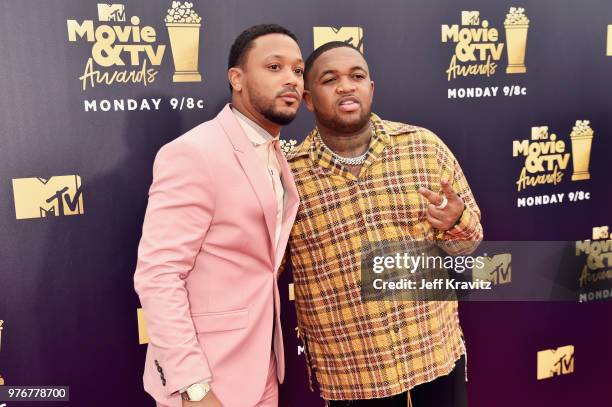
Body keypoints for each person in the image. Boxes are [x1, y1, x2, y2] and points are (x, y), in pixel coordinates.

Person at [286, 41, 483, 406]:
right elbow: (267, 266)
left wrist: (455, 221)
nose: (347, 86)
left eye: (357, 76)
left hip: (434, 353)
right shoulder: (289, 177)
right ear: (309, 99)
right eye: (331, 79)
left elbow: (468, 242)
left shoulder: (423, 147)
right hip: (352, 373)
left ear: (370, 89)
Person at [134, 24, 304, 407]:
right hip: (207, 378)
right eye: (274, 67)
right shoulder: (195, 153)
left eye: (297, 70)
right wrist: (193, 385)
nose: (291, 79)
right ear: (237, 79)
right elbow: (159, 275)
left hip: (259, 367)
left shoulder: (274, 151)